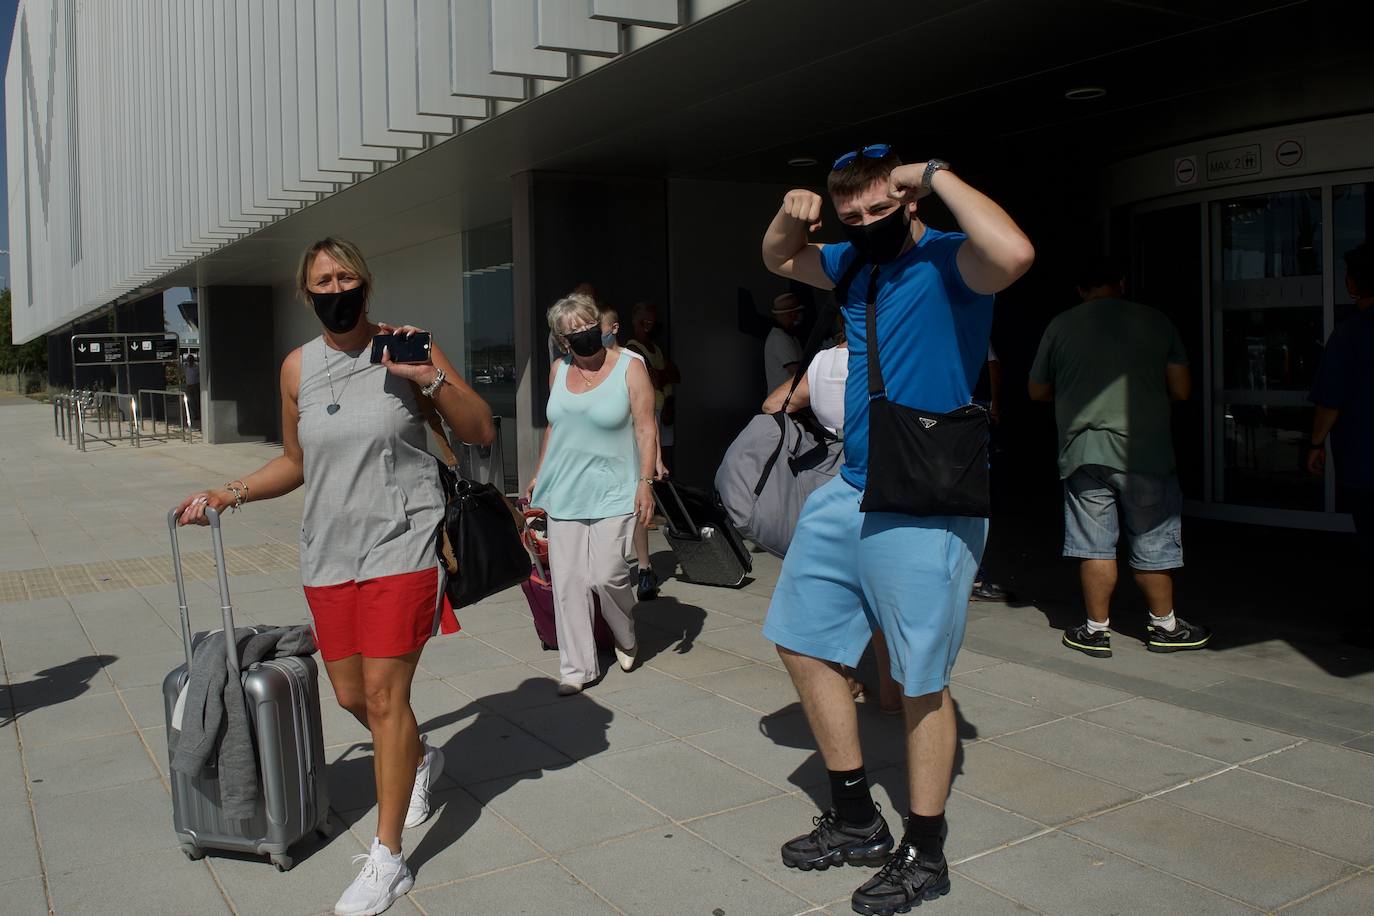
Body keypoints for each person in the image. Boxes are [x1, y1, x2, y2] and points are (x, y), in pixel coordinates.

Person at [175, 238, 495, 916]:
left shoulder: (407, 345)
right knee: (353, 695)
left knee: (384, 696)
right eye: (322, 279)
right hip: (328, 553)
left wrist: (427, 378)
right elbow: (295, 460)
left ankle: (387, 861)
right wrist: (228, 493)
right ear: (307, 292)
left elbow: (480, 429)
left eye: (345, 274)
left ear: (365, 283)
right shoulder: (298, 367)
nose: (335, 286)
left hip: (401, 544)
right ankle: (418, 754)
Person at [760, 145, 1034, 913]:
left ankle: (926, 848)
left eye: (884, 210)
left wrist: (941, 174)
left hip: (926, 496)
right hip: (850, 487)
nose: (870, 224)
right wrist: (793, 211)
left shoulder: (954, 260)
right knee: (800, 637)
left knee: (917, 681)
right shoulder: (852, 261)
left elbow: (1014, 252)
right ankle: (856, 818)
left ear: (910, 201)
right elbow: (782, 255)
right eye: (856, 216)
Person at [1029, 255, 1210, 659]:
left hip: (1083, 452)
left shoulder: (1061, 325)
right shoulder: (1157, 321)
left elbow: (1036, 390)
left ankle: (1095, 631)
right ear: (1122, 284)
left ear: (1081, 290)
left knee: (1094, 545)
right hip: (1146, 450)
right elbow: (1181, 389)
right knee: (1152, 540)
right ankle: (1164, 626)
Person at [526, 292, 658, 695]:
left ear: (599, 326)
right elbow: (554, 426)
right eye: (573, 332)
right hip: (564, 487)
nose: (583, 335)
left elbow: (645, 427)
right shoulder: (557, 370)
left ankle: (625, 630)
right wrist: (538, 474)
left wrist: (646, 482)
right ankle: (577, 668)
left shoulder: (631, 368)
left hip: (614, 486)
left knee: (607, 575)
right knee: (567, 581)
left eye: (588, 327)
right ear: (562, 340)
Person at [1308, 242, 1374, 646]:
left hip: (1366, 463)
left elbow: (1330, 401)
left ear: (1352, 284)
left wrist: (1315, 443)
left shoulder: (1350, 333)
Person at [601, 306, 666, 600]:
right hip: (603, 451)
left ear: (613, 328)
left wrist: (657, 458)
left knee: (635, 510)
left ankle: (643, 567)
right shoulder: (589, 364)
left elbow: (647, 417)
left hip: (630, 447)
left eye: (597, 328)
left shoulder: (632, 360)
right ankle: (611, 568)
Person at [970, 344, 1010, 602]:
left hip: (944, 416)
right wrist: (994, 405)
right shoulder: (977, 327)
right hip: (973, 413)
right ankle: (976, 577)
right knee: (974, 496)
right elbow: (994, 366)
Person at [626, 301, 681, 472]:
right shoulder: (633, 349)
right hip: (650, 410)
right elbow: (656, 379)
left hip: (664, 410)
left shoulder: (656, 348)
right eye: (649, 321)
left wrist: (663, 374)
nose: (653, 326)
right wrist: (665, 374)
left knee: (666, 459)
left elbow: (676, 375)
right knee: (651, 458)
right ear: (639, 322)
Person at [764, 292, 805, 391]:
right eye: (791, 314)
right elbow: (796, 371)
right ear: (782, 316)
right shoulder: (779, 338)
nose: (795, 317)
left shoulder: (789, 336)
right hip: (783, 402)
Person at [183, 354, 201, 428]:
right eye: (188, 359)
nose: (189, 361)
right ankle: (194, 415)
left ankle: (198, 414)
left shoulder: (196, 367)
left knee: (197, 400)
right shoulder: (186, 367)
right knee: (190, 401)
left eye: (191, 359)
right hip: (189, 386)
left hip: (195, 385)